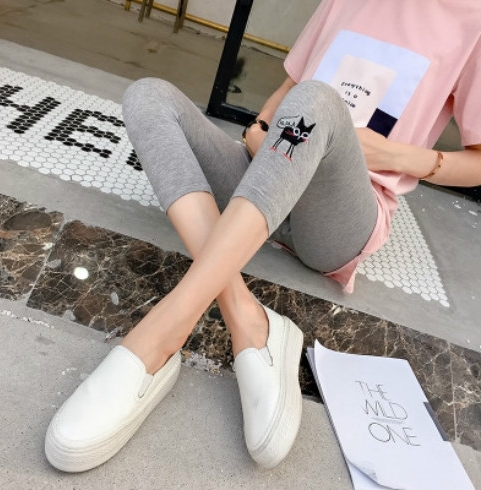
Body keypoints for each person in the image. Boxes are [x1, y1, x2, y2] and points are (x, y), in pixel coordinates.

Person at [44, 0, 481, 473]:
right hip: (270, 175)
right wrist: (259, 128)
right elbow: (290, 88)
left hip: (335, 219)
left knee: (319, 100)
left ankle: (159, 335)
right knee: (148, 96)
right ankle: (249, 320)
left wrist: (394, 155)